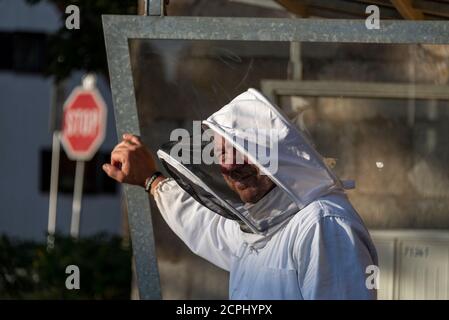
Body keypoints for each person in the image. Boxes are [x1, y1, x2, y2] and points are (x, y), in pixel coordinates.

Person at [103, 88, 378, 300]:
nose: (230, 167)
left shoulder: (322, 223)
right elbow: (206, 226)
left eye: (243, 152)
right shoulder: (263, 224)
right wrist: (152, 180)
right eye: (222, 153)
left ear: (277, 153)